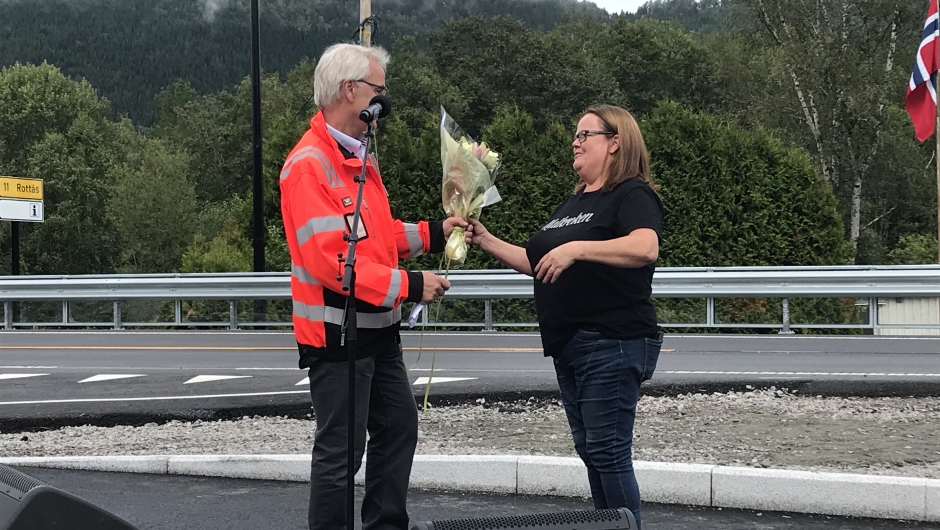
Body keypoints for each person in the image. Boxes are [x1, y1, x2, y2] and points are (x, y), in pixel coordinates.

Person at [279, 42, 470, 530]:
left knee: (399, 429)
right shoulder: (308, 166)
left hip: (378, 333)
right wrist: (410, 285)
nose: (384, 102)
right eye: (378, 90)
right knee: (342, 453)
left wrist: (432, 232)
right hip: (338, 336)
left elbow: (374, 238)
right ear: (349, 91)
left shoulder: (359, 158)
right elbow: (333, 264)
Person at [468, 104, 664, 528]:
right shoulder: (575, 201)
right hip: (572, 343)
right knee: (591, 449)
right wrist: (486, 240)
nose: (575, 142)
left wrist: (577, 249)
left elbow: (645, 246)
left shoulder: (631, 193)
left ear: (615, 143)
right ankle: (608, 523)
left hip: (612, 338)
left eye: (585, 134)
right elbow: (539, 261)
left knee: (608, 450)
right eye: (575, 135)